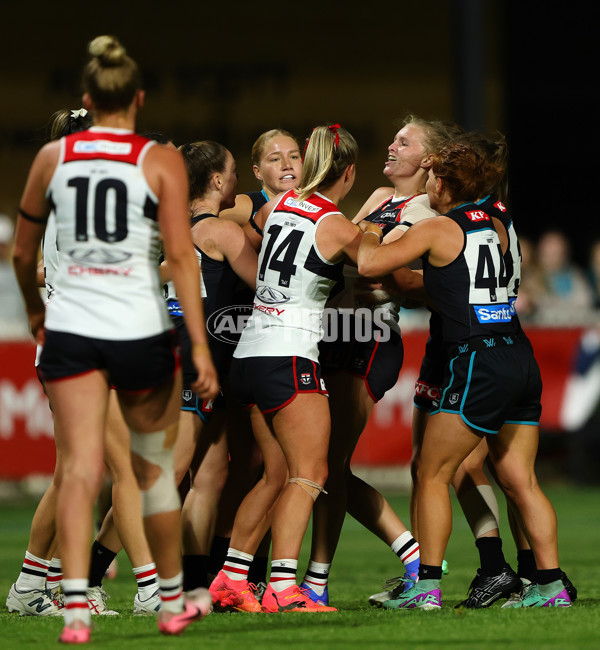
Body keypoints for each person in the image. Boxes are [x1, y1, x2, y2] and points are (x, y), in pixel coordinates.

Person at [12, 35, 217, 643]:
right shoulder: (157, 159)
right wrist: (200, 347)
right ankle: (164, 594)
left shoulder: (52, 160)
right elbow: (182, 254)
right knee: (146, 468)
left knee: (77, 471)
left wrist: (33, 312)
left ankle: (71, 606)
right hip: (135, 329)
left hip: (70, 330)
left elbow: (24, 255)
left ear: (86, 97)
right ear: (138, 98)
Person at [357, 141, 572, 609]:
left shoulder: (439, 228)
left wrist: (375, 226)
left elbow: (369, 264)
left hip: (477, 360)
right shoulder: (501, 219)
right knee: (522, 481)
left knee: (432, 472)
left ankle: (426, 587)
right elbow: (447, 283)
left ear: (441, 183)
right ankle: (551, 586)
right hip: (519, 353)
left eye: (432, 178)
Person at [208, 124, 361, 613]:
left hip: (249, 353)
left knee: (274, 474)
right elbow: (378, 264)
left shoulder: (275, 207)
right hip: (289, 353)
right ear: (349, 172)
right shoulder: (334, 220)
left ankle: (230, 579)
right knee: (310, 473)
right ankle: (283, 586)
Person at [299, 115, 451, 606]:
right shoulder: (381, 200)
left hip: (370, 337)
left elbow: (384, 267)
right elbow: (353, 248)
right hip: (333, 334)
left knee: (325, 464)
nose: (390, 145)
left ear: (427, 159)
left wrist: (368, 253)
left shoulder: (428, 210)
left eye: (403, 141)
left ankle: (315, 585)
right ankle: (410, 552)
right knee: (323, 465)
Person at [161, 141, 259, 594]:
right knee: (169, 475)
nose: (238, 181)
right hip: (193, 364)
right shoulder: (219, 231)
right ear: (217, 180)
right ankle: (115, 576)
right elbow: (268, 285)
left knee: (209, 476)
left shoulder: (176, 225)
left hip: (192, 363)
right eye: (233, 172)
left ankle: (196, 582)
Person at [220, 129, 302, 225]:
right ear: (258, 172)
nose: (287, 165)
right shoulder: (246, 206)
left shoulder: (319, 204)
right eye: (275, 159)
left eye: (293, 157)